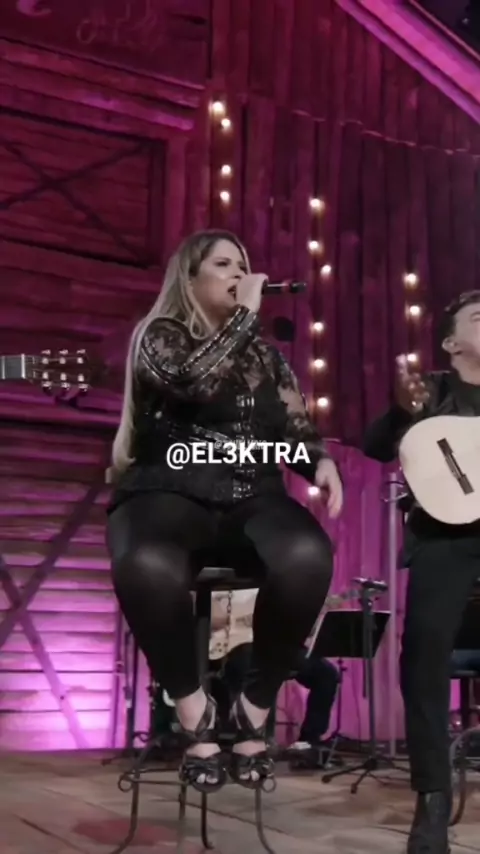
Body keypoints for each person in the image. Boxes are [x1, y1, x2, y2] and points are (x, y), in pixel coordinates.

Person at [105, 229, 343, 794]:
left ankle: (253, 705)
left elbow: (293, 424)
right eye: (224, 264)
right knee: (146, 563)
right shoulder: (160, 334)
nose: (239, 274)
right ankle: (192, 708)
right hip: (168, 489)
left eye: (243, 264)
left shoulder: (266, 357)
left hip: (252, 494)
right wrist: (244, 319)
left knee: (308, 555)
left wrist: (317, 461)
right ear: (190, 278)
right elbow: (193, 381)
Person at [363, 290, 480, 854]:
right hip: (445, 537)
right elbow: (374, 446)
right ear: (451, 343)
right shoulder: (430, 391)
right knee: (424, 655)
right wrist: (402, 411)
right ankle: (433, 795)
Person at [209, 589, 340, 765]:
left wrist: (313, 614)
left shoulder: (283, 583)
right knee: (254, 667)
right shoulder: (230, 584)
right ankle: (247, 738)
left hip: (278, 645)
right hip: (238, 644)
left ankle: (308, 742)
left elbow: (301, 632)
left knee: (326, 674)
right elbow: (211, 614)